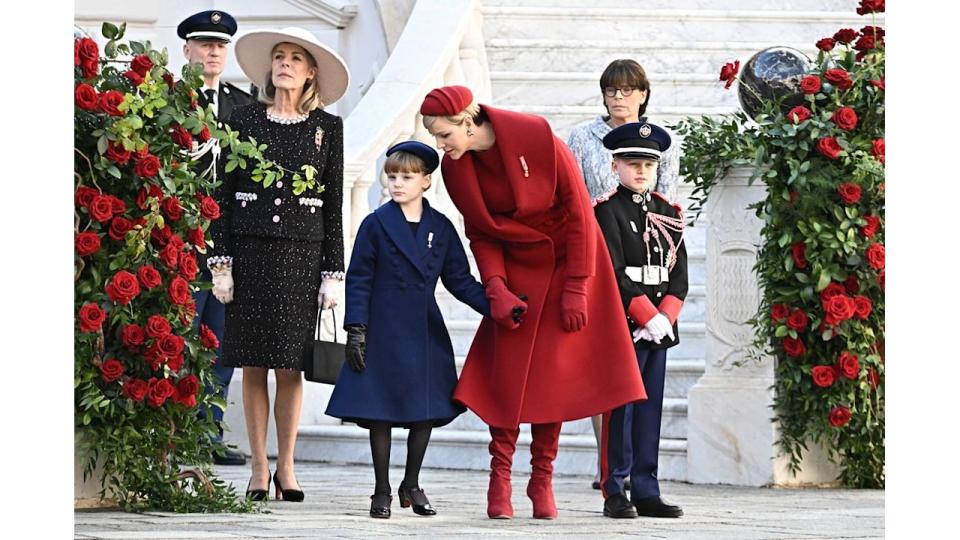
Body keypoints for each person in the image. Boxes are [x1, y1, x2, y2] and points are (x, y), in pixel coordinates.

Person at [420, 85, 647, 520]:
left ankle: (541, 478)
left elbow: (581, 213)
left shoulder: (538, 137)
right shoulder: (456, 166)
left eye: (444, 133)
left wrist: (578, 285)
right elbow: (481, 232)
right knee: (507, 371)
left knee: (554, 375)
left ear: (469, 123)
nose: (440, 145)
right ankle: (499, 477)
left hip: (568, 259)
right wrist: (495, 286)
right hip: (517, 263)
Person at [208, 26, 349, 502]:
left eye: (295, 58)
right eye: (279, 56)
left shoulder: (327, 128)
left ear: (310, 72)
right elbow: (223, 197)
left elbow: (334, 205)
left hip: (300, 258)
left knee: (290, 367)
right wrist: (221, 263)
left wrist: (333, 274)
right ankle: (258, 468)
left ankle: (287, 468)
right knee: (252, 365)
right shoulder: (243, 120)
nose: (284, 63)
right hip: (250, 255)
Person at [325, 141, 490, 519]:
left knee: (425, 411)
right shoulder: (376, 223)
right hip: (381, 330)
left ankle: (411, 483)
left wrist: (497, 306)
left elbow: (460, 281)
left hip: (423, 330)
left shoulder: (441, 227)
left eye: (407, 176)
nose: (398, 183)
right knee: (379, 411)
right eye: (393, 176)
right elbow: (360, 279)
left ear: (426, 181)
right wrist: (356, 329)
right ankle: (381, 489)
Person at [567, 58, 680, 490]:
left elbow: (669, 199)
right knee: (605, 365)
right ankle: (608, 465)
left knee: (643, 371)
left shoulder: (663, 142)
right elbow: (573, 194)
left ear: (643, 94)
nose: (619, 98)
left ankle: (634, 470)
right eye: (612, 91)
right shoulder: (581, 137)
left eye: (627, 90)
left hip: (644, 251)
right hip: (597, 250)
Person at [593, 121, 687, 519]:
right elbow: (612, 270)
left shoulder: (669, 212)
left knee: (650, 409)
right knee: (621, 408)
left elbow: (678, 275)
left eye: (648, 164)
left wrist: (665, 316)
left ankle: (646, 488)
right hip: (624, 324)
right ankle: (615, 488)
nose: (641, 171)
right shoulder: (606, 211)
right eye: (632, 163)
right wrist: (644, 315)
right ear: (615, 166)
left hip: (659, 328)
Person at [177, 8, 255, 467]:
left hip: (228, 243)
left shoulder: (244, 106)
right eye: (204, 43)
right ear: (185, 48)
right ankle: (173, 431)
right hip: (179, 237)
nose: (212, 51)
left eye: (220, 45)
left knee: (220, 341)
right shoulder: (163, 99)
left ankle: (207, 430)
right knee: (178, 334)